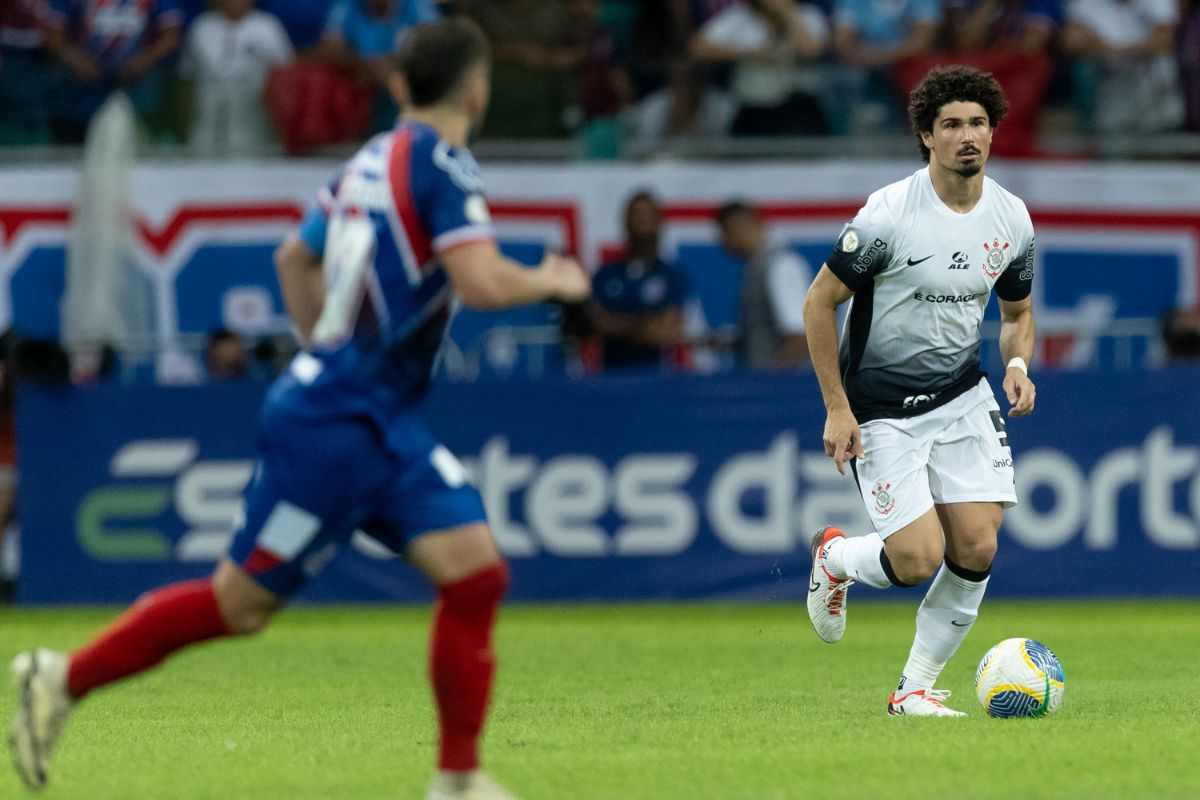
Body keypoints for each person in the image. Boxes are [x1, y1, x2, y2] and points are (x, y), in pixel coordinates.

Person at [9, 18, 591, 800]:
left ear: (398, 85)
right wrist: (552, 280)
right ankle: (61, 678)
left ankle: (457, 780)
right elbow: (483, 284)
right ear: (478, 89)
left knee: (475, 573)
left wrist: (326, 344)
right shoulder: (444, 166)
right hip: (338, 428)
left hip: (367, 414)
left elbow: (294, 256)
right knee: (239, 604)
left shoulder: (368, 162)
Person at [802, 65, 1038, 717]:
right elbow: (818, 304)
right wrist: (836, 407)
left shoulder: (1011, 219)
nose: (968, 136)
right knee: (914, 558)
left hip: (962, 394)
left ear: (993, 133)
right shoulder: (888, 216)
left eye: (978, 124)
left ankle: (914, 690)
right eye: (952, 125)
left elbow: (1017, 316)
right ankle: (838, 557)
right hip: (878, 405)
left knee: (979, 544)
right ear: (927, 138)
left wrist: (1018, 366)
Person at [42, 0, 184, 143]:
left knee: (152, 98)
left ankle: (150, 149)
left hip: (136, 76)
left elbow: (172, 36)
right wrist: (74, 59)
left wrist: (145, 59)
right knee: (66, 97)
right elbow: (53, 36)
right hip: (86, 75)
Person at [589, 191, 689, 370]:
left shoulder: (671, 275)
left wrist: (618, 324)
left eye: (647, 216)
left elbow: (666, 331)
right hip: (611, 378)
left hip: (654, 380)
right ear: (626, 222)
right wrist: (643, 324)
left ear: (659, 222)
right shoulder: (606, 274)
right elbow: (597, 324)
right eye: (636, 216)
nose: (641, 222)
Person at [182, 0, 294, 156]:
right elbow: (187, 75)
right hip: (208, 105)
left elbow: (285, 73)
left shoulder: (267, 26)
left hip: (251, 107)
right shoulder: (202, 26)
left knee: (249, 156)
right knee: (202, 155)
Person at [715, 201, 811, 369]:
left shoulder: (781, 266)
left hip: (781, 388)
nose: (721, 242)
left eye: (723, 233)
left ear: (739, 226)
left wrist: (770, 381)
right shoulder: (756, 268)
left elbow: (800, 338)